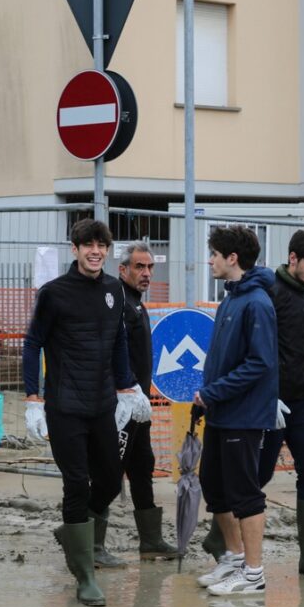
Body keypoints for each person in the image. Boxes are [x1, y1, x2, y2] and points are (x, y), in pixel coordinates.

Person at [22, 219, 149, 607]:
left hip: (103, 406)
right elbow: (33, 344)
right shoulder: (54, 294)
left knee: (110, 480)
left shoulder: (113, 289)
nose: (96, 251)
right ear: (74, 249)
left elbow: (119, 342)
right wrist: (32, 398)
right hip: (65, 408)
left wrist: (129, 386)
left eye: (101, 245)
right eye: (88, 245)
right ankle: (84, 574)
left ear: (108, 251)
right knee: (77, 484)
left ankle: (73, 532)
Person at [193, 225, 278, 597]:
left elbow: (260, 363)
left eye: (214, 253)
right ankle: (233, 558)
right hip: (221, 411)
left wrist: (213, 391)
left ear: (232, 258)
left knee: (245, 493)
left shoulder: (257, 301)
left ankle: (254, 573)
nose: (209, 260)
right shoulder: (231, 298)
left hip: (243, 414)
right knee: (215, 485)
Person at [256, 229, 304, 579]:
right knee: (259, 473)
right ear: (293, 258)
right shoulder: (270, 292)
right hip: (271, 402)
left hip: (301, 401)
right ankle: (222, 538)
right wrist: (264, 395)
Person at [108, 242, 177, 565]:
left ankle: (150, 541)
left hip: (140, 407)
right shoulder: (120, 303)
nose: (146, 273)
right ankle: (90, 545)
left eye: (149, 267)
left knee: (143, 465)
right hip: (122, 406)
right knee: (109, 473)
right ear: (123, 270)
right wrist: (124, 393)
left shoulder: (136, 303)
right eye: (139, 267)